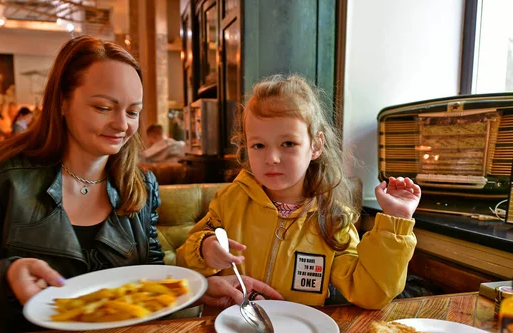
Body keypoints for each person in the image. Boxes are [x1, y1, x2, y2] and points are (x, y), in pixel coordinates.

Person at [0, 36, 164, 333]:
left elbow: (152, 271)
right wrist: (6, 278)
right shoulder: (2, 174)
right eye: (104, 107)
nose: (122, 124)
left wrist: (198, 286)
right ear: (62, 102)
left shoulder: (142, 184)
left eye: (133, 112)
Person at [176, 74, 421, 310]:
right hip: (230, 330)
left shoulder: (333, 218)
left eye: (288, 144)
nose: (271, 158)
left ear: (315, 145)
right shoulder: (229, 201)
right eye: (258, 145)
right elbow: (183, 264)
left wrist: (395, 222)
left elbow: (371, 293)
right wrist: (205, 250)